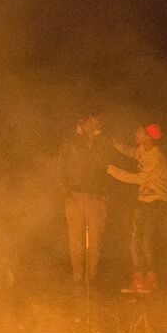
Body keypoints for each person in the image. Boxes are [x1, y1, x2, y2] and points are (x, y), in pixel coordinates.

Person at [108, 122, 167, 294]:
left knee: (146, 242)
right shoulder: (142, 151)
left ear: (148, 137)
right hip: (143, 201)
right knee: (135, 241)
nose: (136, 134)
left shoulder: (157, 158)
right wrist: (113, 142)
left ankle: (151, 280)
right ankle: (138, 280)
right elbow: (130, 151)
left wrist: (112, 171)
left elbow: (138, 179)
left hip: (156, 202)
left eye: (140, 133)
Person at [59, 109, 110, 287]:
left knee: (96, 240)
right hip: (75, 196)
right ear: (87, 120)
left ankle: (91, 278)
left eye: (99, 121)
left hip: (96, 197)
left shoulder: (101, 142)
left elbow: (107, 169)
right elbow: (61, 169)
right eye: (96, 120)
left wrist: (104, 195)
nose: (99, 124)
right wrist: (66, 193)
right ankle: (78, 279)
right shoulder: (70, 141)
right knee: (76, 240)